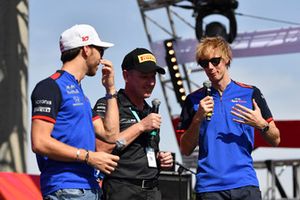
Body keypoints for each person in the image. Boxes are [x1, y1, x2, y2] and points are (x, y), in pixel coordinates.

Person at [178, 36, 280, 200]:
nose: (210, 67)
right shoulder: (193, 100)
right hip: (209, 188)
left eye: (215, 61)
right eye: (204, 63)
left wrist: (261, 124)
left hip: (245, 184)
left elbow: (276, 139)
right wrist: (198, 118)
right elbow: (185, 149)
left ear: (226, 59)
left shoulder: (250, 93)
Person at [30, 24, 120, 199]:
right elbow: (39, 142)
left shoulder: (80, 94)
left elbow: (111, 135)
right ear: (86, 49)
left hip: (89, 188)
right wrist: (88, 157)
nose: (102, 57)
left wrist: (110, 90)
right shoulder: (50, 86)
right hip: (66, 188)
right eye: (100, 50)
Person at [94, 48, 174, 200]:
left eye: (153, 77)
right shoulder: (110, 104)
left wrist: (160, 159)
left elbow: (141, 152)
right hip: (122, 190)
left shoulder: (150, 111)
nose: (150, 82)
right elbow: (101, 149)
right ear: (126, 75)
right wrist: (140, 126)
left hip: (153, 191)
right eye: (144, 77)